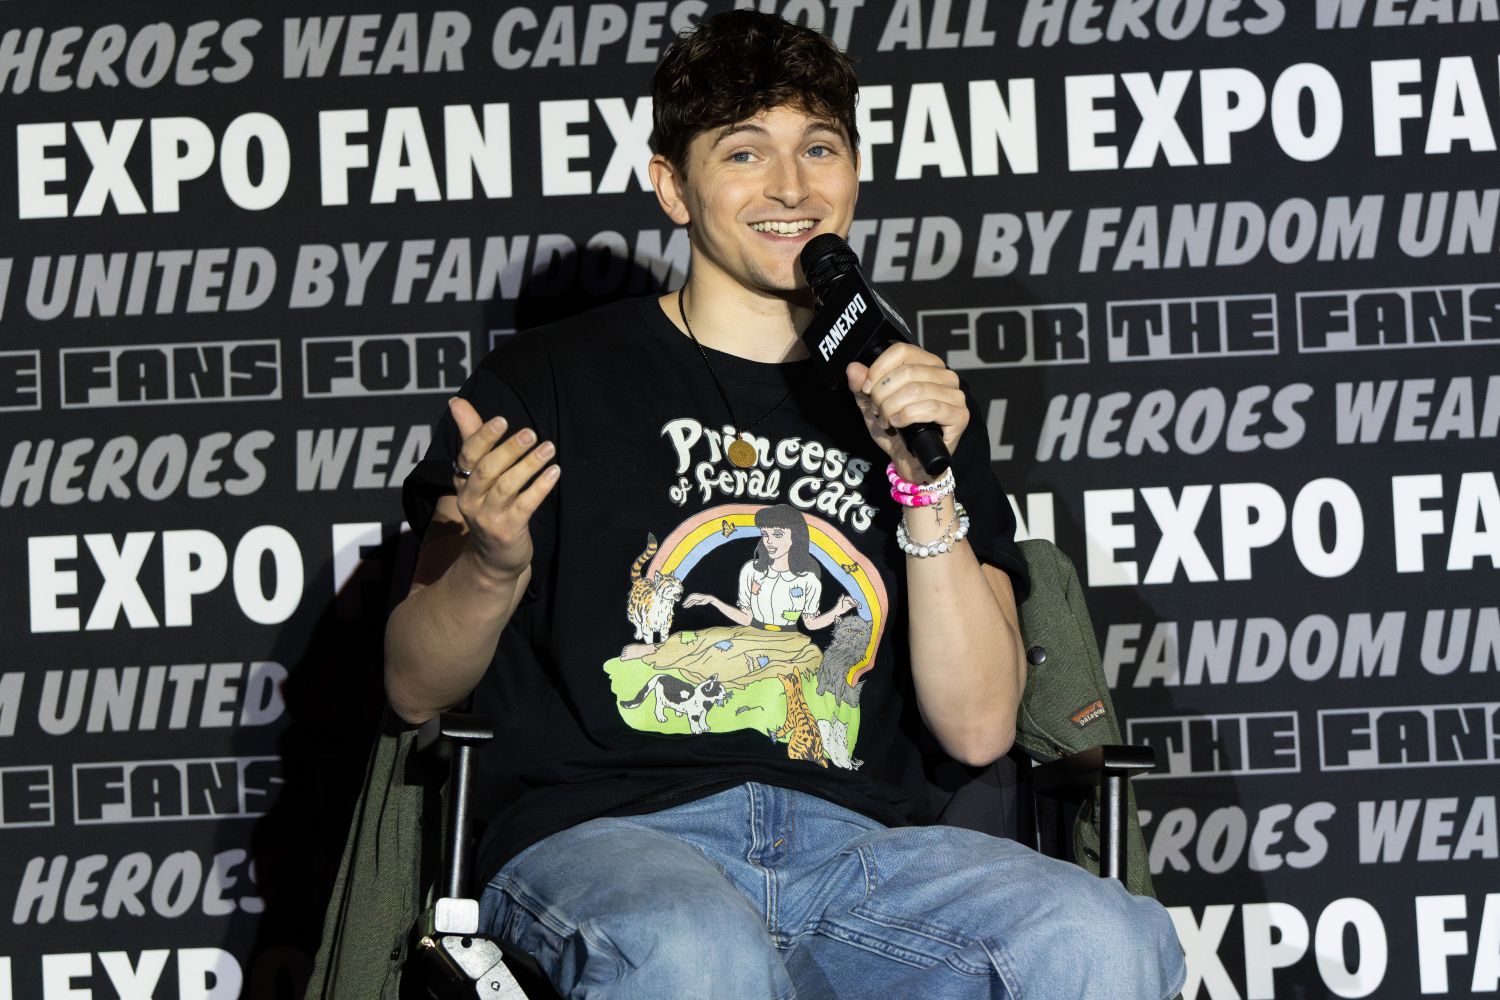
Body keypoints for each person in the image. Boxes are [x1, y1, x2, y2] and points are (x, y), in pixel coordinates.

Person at [386, 10, 1186, 999]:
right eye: (743, 151)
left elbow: (980, 729)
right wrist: (490, 570)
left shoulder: (904, 394)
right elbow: (413, 684)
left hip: (857, 850)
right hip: (603, 837)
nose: (791, 187)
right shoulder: (550, 380)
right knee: (696, 953)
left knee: (1102, 936)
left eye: (819, 146)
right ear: (672, 186)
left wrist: (924, 484)